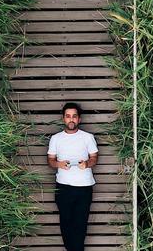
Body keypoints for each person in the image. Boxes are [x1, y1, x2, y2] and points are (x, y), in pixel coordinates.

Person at [47, 102, 99, 251]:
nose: (71, 119)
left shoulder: (88, 137)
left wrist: (87, 164)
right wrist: (59, 164)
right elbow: (50, 161)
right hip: (63, 188)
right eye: (68, 116)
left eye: (74, 116)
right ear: (63, 118)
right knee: (66, 224)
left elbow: (94, 158)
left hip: (84, 188)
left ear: (79, 119)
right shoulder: (56, 138)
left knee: (80, 225)